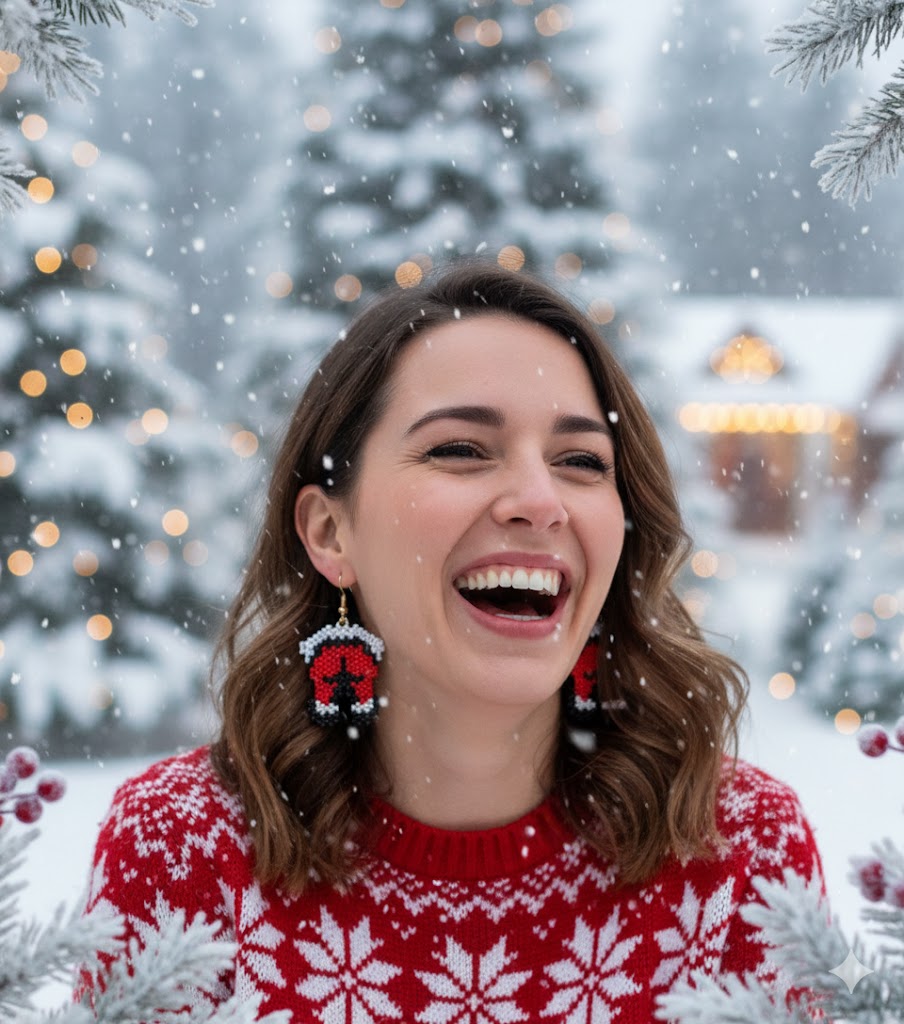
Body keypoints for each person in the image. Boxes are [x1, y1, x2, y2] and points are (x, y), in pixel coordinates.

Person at [82, 260, 825, 1022]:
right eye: (461, 449)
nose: (540, 502)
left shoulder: (741, 853)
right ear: (330, 531)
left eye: (580, 462)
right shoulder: (179, 849)